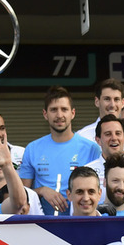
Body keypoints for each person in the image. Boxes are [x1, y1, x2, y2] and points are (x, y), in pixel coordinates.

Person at [19, 86, 101, 216]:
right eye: (53, 110)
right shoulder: (32, 148)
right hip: (42, 225)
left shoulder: (92, 148)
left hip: (80, 222)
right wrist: (42, 191)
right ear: (45, 114)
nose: (59, 115)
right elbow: (22, 195)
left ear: (72, 113)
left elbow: (99, 192)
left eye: (64, 109)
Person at [85, 115, 124, 214]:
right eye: (108, 134)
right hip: (97, 227)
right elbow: (76, 211)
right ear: (98, 140)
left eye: (118, 133)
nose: (114, 138)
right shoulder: (87, 171)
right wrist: (98, 210)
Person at [76, 78, 124, 163]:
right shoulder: (82, 136)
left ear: (122, 103)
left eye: (116, 99)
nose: (112, 105)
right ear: (97, 101)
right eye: (107, 99)